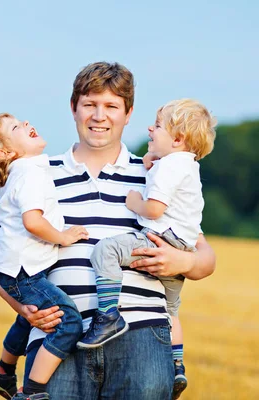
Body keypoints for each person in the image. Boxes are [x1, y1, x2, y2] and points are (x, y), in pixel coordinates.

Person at [0, 61, 217, 400]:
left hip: (142, 337)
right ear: (73, 107)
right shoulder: (36, 172)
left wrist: (183, 263)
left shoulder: (156, 171)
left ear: (128, 113)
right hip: (60, 341)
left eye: (111, 107)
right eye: (89, 104)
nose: (99, 116)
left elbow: (205, 257)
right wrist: (22, 308)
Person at [76, 98, 217, 399]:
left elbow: (154, 210)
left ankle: (108, 315)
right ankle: (177, 363)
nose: (150, 129)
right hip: (179, 239)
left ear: (177, 139)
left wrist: (133, 202)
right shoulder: (184, 167)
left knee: (106, 252)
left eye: (158, 126)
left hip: (158, 239)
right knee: (172, 311)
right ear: (74, 107)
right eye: (90, 104)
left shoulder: (165, 170)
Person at [0, 113, 89, 400]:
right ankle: (33, 390)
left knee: (29, 318)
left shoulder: (22, 171)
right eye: (16, 127)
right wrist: (64, 237)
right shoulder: (31, 174)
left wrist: (5, 201)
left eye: (22, 121)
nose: (26, 124)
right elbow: (33, 222)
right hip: (25, 273)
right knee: (69, 321)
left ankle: (3, 371)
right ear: (6, 152)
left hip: (13, 270)